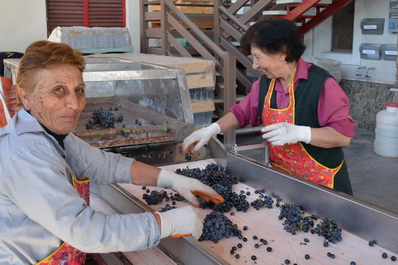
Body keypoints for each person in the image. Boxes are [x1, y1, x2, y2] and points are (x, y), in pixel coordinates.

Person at [0, 40, 224, 265]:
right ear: (25, 96)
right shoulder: (26, 155)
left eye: (79, 90)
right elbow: (86, 232)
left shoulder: (51, 133)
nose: (75, 104)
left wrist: (171, 179)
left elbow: (104, 164)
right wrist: (165, 223)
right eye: (58, 90)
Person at [183, 18, 356, 195]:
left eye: (258, 57)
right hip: (283, 181)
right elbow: (242, 112)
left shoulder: (321, 84)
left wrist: (301, 133)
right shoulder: (266, 83)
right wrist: (213, 128)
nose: (254, 65)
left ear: (283, 52)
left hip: (322, 185)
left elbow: (343, 136)